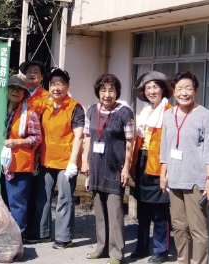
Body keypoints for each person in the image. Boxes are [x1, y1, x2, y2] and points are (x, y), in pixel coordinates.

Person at [159, 70, 209, 264]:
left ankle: (199, 262)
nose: (184, 93)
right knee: (178, 226)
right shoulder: (168, 114)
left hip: (195, 181)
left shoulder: (204, 115)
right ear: (173, 91)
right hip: (174, 179)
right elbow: (165, 147)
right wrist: (163, 174)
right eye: (180, 88)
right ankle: (182, 260)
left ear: (196, 91)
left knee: (198, 228)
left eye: (188, 88)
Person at [27, 68, 84, 249]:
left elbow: (79, 136)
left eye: (60, 84)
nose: (56, 88)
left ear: (67, 86)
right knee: (42, 197)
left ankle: (64, 236)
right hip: (46, 159)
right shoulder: (45, 105)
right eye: (53, 84)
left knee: (64, 199)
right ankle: (41, 233)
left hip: (66, 162)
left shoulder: (75, 107)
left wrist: (74, 162)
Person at [82, 74, 134, 264]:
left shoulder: (125, 113)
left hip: (114, 167)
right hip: (95, 166)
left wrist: (126, 168)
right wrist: (85, 160)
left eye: (111, 90)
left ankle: (116, 253)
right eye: (103, 90)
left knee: (115, 213)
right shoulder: (92, 111)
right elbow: (87, 137)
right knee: (100, 211)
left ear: (117, 92)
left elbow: (130, 142)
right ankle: (101, 247)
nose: (107, 94)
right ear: (98, 92)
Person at [130, 71, 173, 263]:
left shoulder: (170, 111)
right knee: (143, 209)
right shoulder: (144, 111)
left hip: (159, 164)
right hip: (142, 161)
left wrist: (167, 170)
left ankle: (160, 250)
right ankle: (142, 246)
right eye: (148, 88)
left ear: (163, 89)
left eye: (155, 86)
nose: (152, 91)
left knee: (160, 210)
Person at [0, 74, 42, 236]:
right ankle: (1, 234)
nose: (16, 91)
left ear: (24, 93)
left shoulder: (30, 113)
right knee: (0, 200)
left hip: (19, 163)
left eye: (20, 89)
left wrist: (17, 142)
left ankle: (17, 237)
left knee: (17, 203)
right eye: (12, 88)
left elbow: (37, 138)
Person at [19, 60, 51, 236]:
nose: (31, 74)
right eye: (29, 71)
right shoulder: (20, 93)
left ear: (42, 77)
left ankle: (33, 226)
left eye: (36, 71)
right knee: (22, 188)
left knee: (35, 189)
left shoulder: (47, 97)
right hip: (18, 148)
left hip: (37, 147)